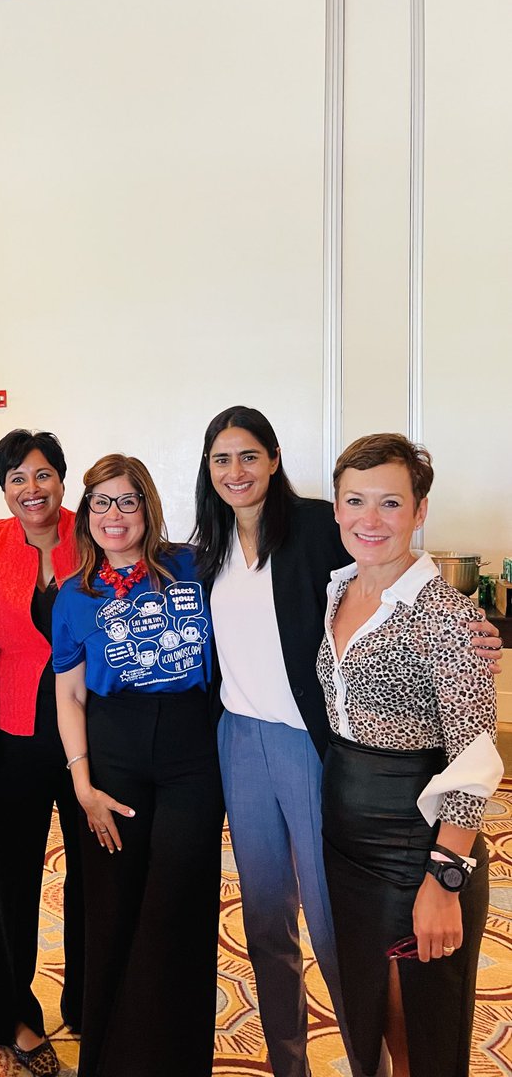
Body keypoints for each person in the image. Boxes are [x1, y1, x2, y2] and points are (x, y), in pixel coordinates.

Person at [192, 406, 500, 1077]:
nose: (237, 471)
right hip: (242, 741)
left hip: (313, 749)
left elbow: (398, 574)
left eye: (250, 455)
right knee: (265, 918)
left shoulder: (314, 528)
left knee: (340, 928)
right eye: (222, 459)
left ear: (275, 459)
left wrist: (473, 626)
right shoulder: (211, 546)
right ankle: (288, 1061)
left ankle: (369, 1062)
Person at [318, 433, 503, 1077]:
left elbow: (474, 760)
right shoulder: (340, 591)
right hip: (346, 846)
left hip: (414, 848)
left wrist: (444, 880)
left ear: (420, 511)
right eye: (355, 501)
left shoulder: (447, 616)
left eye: (391, 503)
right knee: (373, 1012)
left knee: (420, 1029)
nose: (370, 519)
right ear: (336, 508)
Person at [54, 454, 222, 1077]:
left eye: (127, 501)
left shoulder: (194, 566)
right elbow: (70, 696)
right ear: (86, 515)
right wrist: (82, 785)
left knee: (179, 901)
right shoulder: (74, 596)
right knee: (114, 903)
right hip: (113, 754)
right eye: (101, 502)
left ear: (147, 507)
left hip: (191, 751)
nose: (114, 515)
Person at [0, 429, 84, 1077]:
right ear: (3, 487)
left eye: (43, 475)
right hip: (8, 725)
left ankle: (88, 999)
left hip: (87, 729)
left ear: (62, 480)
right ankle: (13, 1013)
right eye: (17, 478)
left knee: (93, 873)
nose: (31, 489)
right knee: (10, 878)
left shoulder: (92, 531)